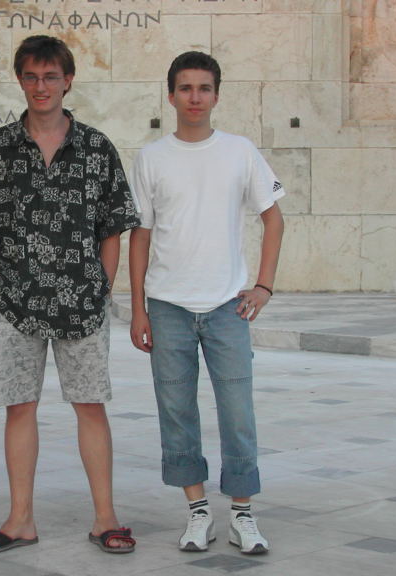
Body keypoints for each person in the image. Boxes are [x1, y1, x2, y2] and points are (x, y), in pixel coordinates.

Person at [0, 35, 140, 555]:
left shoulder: (97, 148)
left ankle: (106, 518)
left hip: (82, 303)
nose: (41, 86)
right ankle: (20, 520)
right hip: (14, 302)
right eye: (31, 77)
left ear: (67, 81)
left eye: (51, 77)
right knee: (19, 408)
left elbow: (112, 229)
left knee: (90, 406)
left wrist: (100, 289)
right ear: (20, 80)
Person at [127, 51, 284, 555]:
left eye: (204, 88)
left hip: (226, 307)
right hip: (168, 306)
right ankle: (197, 511)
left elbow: (273, 217)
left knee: (238, 412)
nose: (195, 97)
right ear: (171, 95)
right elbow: (140, 235)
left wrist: (263, 286)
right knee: (176, 411)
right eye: (186, 88)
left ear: (216, 95)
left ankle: (242, 514)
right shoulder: (152, 157)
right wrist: (138, 308)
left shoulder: (239, 151)